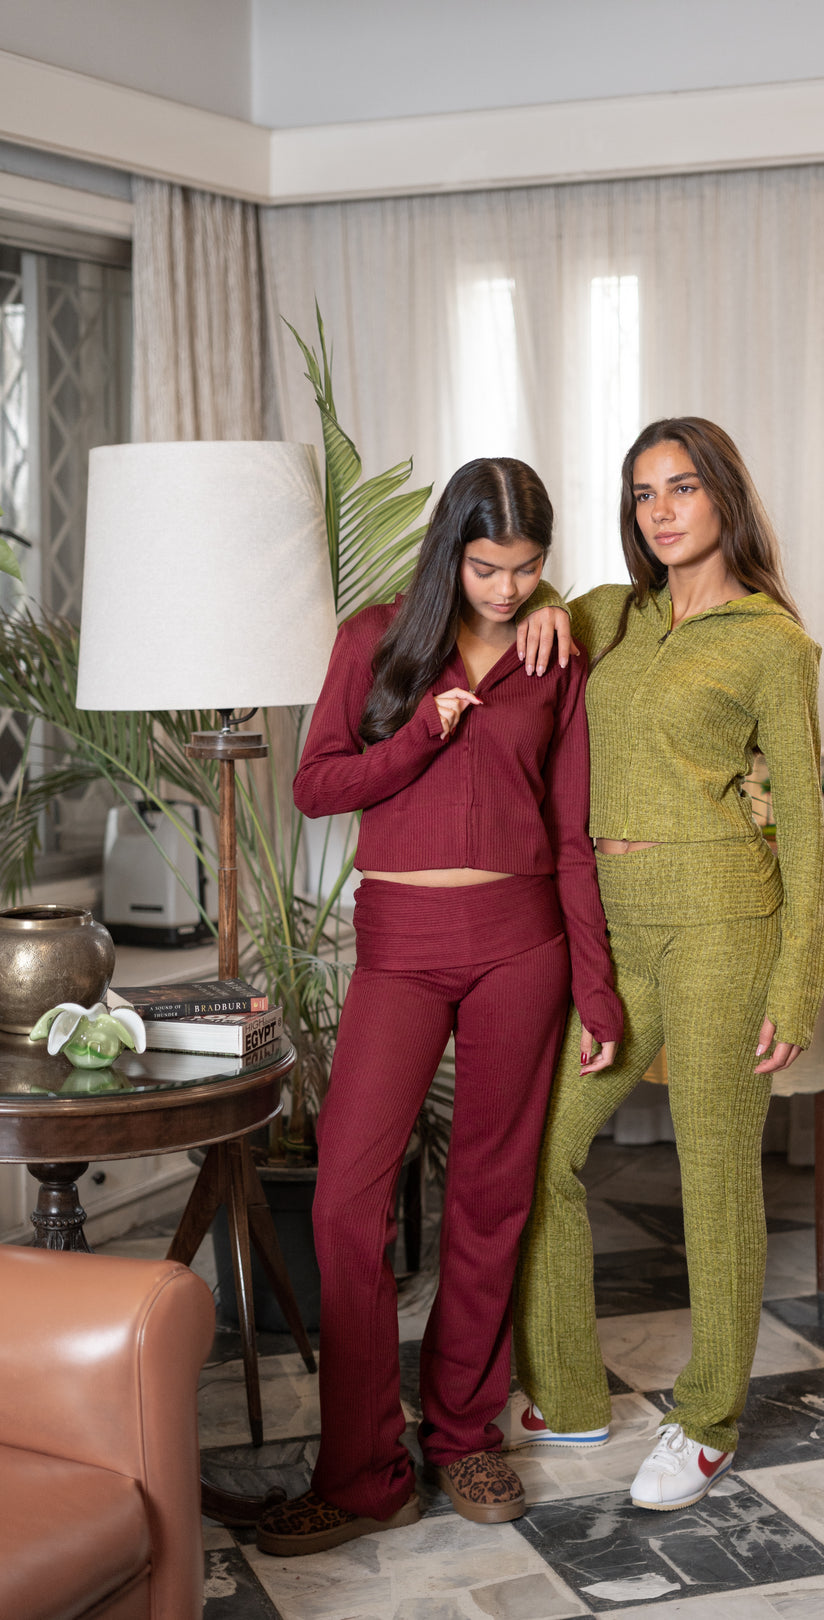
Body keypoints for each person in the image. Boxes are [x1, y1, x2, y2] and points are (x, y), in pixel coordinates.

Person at [257, 457, 622, 1557]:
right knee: (344, 1204)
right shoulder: (376, 641)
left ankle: (463, 1434)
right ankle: (364, 1470)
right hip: (401, 948)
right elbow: (317, 786)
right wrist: (424, 732)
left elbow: (570, 834)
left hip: (523, 947)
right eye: (487, 568)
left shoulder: (553, 653)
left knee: (491, 1197)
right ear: (449, 553)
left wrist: (597, 986)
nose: (507, 590)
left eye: (528, 569)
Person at [505, 417, 824, 1511]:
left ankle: (706, 1420)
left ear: (724, 496)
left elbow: (804, 827)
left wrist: (797, 981)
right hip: (613, 928)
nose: (661, 510)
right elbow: (542, 615)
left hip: (724, 923)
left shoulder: (772, 644)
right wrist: (546, 609)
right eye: (643, 492)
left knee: (716, 1176)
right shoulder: (615, 612)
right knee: (544, 1153)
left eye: (682, 487)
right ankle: (568, 1390)